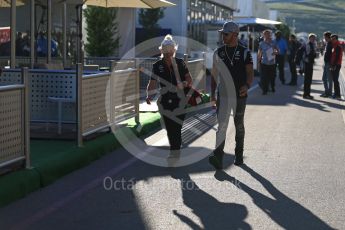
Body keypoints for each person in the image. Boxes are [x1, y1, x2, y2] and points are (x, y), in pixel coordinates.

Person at [208, 21, 254, 169]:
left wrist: (247, 86)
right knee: (221, 125)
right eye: (222, 34)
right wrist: (212, 95)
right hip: (223, 95)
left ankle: (239, 155)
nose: (223, 36)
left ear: (235, 35)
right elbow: (214, 76)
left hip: (240, 96)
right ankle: (218, 157)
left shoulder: (245, 52)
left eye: (226, 34)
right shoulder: (218, 52)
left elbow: (250, 73)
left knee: (238, 124)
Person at [146, 34, 193, 161]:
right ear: (162, 50)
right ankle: (175, 149)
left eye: (170, 51)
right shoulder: (157, 65)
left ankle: (175, 151)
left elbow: (189, 80)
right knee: (170, 127)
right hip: (165, 101)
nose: (168, 53)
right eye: (166, 51)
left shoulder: (180, 63)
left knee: (176, 126)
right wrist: (149, 96)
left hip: (181, 100)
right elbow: (153, 82)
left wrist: (183, 84)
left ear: (174, 50)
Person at [296, 33, 317, 99]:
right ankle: (305, 94)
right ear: (309, 38)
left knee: (309, 79)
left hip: (310, 63)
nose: (313, 39)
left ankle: (308, 93)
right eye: (312, 38)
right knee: (307, 79)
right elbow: (304, 53)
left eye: (314, 38)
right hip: (307, 63)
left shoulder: (313, 45)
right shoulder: (306, 45)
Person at [258, 29, 278, 94]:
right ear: (264, 35)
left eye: (268, 34)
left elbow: (278, 51)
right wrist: (259, 60)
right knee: (264, 77)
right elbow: (259, 53)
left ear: (270, 35)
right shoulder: (261, 43)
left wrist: (275, 53)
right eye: (265, 34)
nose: (267, 35)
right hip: (264, 63)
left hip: (272, 63)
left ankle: (272, 87)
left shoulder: (273, 42)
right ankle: (265, 90)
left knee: (272, 77)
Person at [329, 34, 343, 99]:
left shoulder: (338, 46)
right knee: (335, 79)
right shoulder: (334, 46)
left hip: (336, 65)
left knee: (335, 79)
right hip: (335, 64)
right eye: (332, 39)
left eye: (334, 39)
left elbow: (337, 57)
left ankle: (337, 94)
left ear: (337, 39)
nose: (332, 40)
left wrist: (333, 65)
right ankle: (336, 93)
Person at [320, 31, 333, 97]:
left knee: (329, 79)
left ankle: (329, 93)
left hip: (328, 63)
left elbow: (330, 55)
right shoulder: (328, 44)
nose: (324, 38)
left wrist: (330, 64)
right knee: (324, 78)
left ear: (328, 37)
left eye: (324, 37)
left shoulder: (330, 44)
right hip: (326, 63)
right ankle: (327, 92)